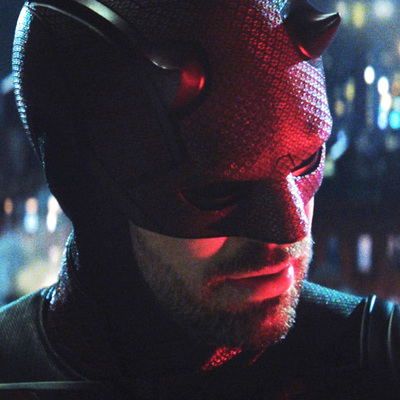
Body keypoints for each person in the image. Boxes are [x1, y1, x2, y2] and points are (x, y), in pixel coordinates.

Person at [0, 0, 398, 399]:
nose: (290, 229)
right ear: (89, 191)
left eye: (304, 163)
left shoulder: (379, 361)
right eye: (217, 189)